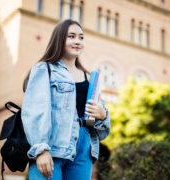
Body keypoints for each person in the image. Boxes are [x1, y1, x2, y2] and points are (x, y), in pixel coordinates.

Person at [21, 19, 111, 180]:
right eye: (72, 36)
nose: (78, 41)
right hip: (52, 146)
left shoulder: (90, 78)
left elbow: (102, 131)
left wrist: (103, 115)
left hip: (83, 150)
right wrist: (41, 150)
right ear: (60, 39)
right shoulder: (44, 69)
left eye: (81, 38)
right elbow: (34, 111)